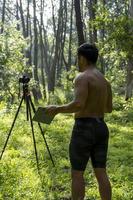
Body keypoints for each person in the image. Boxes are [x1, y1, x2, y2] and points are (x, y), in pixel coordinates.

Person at [45, 43, 112, 200]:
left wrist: (56, 108)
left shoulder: (82, 77)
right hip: (102, 127)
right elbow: (108, 108)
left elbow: (79, 104)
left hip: (84, 129)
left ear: (82, 58)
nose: (77, 61)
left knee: (77, 173)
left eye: (78, 58)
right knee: (101, 171)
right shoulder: (104, 81)